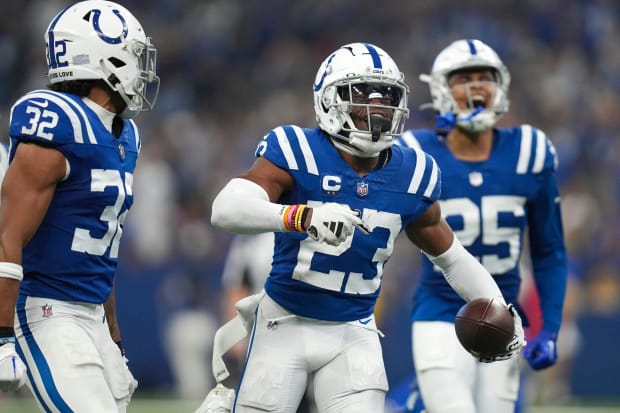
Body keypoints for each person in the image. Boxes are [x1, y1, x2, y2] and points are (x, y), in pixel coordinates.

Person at [198, 42, 524, 413]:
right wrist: (299, 217)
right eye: (361, 95)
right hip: (282, 325)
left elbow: (452, 258)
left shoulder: (412, 172)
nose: (377, 107)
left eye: (386, 96)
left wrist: (501, 310)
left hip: (354, 333)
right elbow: (224, 209)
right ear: (328, 100)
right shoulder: (295, 149)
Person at [0, 1, 159, 411]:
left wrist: (115, 339)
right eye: (134, 57)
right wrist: (0, 336)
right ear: (102, 58)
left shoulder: (126, 136)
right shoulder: (57, 121)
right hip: (45, 309)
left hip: (90, 315)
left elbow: (101, 253)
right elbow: (6, 236)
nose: (140, 69)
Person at [397, 39, 567, 413]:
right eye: (464, 79)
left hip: (505, 316)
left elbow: (549, 249)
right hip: (439, 311)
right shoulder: (416, 153)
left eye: (484, 78)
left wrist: (550, 327)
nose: (475, 87)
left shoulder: (530, 151)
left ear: (500, 87)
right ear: (442, 89)